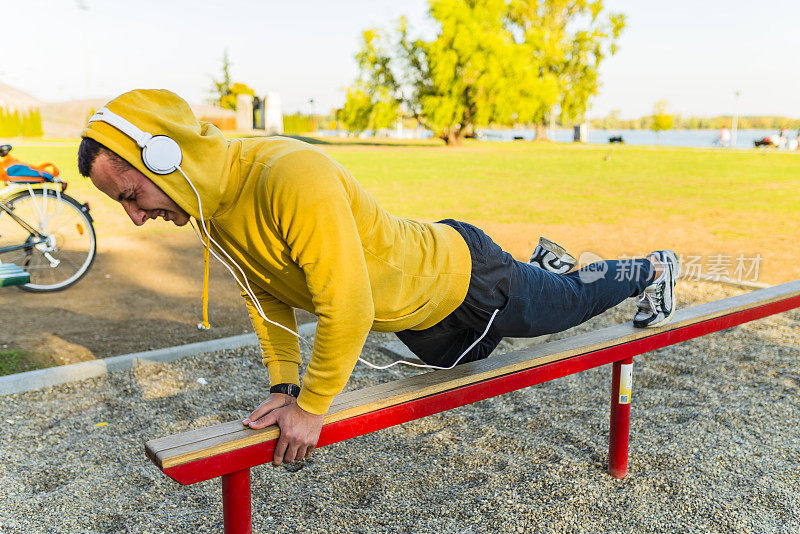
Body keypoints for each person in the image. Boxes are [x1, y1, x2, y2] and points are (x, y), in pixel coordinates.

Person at [78, 89, 679, 467]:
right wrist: (284, 388)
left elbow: (349, 304)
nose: (137, 217)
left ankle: (648, 267)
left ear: (167, 155)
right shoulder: (211, 216)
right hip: (426, 310)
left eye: (132, 195)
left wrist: (313, 407)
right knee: (519, 316)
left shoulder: (290, 176)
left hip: (466, 282)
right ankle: (544, 269)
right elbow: (266, 302)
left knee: (568, 306)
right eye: (122, 206)